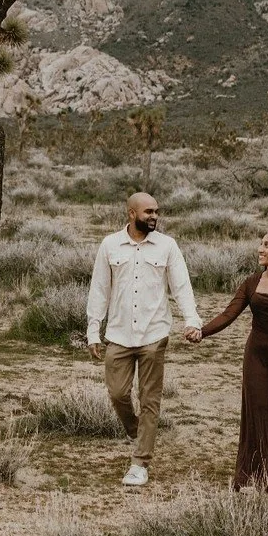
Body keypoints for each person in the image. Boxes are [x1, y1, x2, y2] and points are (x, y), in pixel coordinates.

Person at [86, 191, 202, 487]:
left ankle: (140, 462)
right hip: (119, 335)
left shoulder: (167, 246)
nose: (154, 216)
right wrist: (92, 329)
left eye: (156, 211)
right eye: (148, 211)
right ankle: (137, 431)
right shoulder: (110, 245)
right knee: (117, 393)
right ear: (131, 213)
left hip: (154, 334)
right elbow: (99, 289)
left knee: (150, 400)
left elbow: (181, 286)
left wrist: (192, 319)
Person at [189, 228, 268, 489]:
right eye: (261, 244)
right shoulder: (252, 282)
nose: (260, 249)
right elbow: (228, 314)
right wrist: (202, 332)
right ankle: (251, 475)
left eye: (267, 245)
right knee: (258, 412)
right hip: (256, 356)